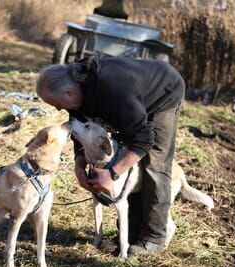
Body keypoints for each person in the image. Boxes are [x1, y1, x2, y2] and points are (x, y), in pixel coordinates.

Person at [36, 56, 185, 255]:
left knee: (154, 165)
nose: (58, 109)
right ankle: (129, 234)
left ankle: (154, 237)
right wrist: (79, 163)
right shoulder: (77, 87)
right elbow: (77, 127)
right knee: (124, 152)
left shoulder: (113, 92)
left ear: (69, 92)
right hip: (132, 101)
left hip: (163, 93)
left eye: (56, 103)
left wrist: (113, 173)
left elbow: (143, 140)